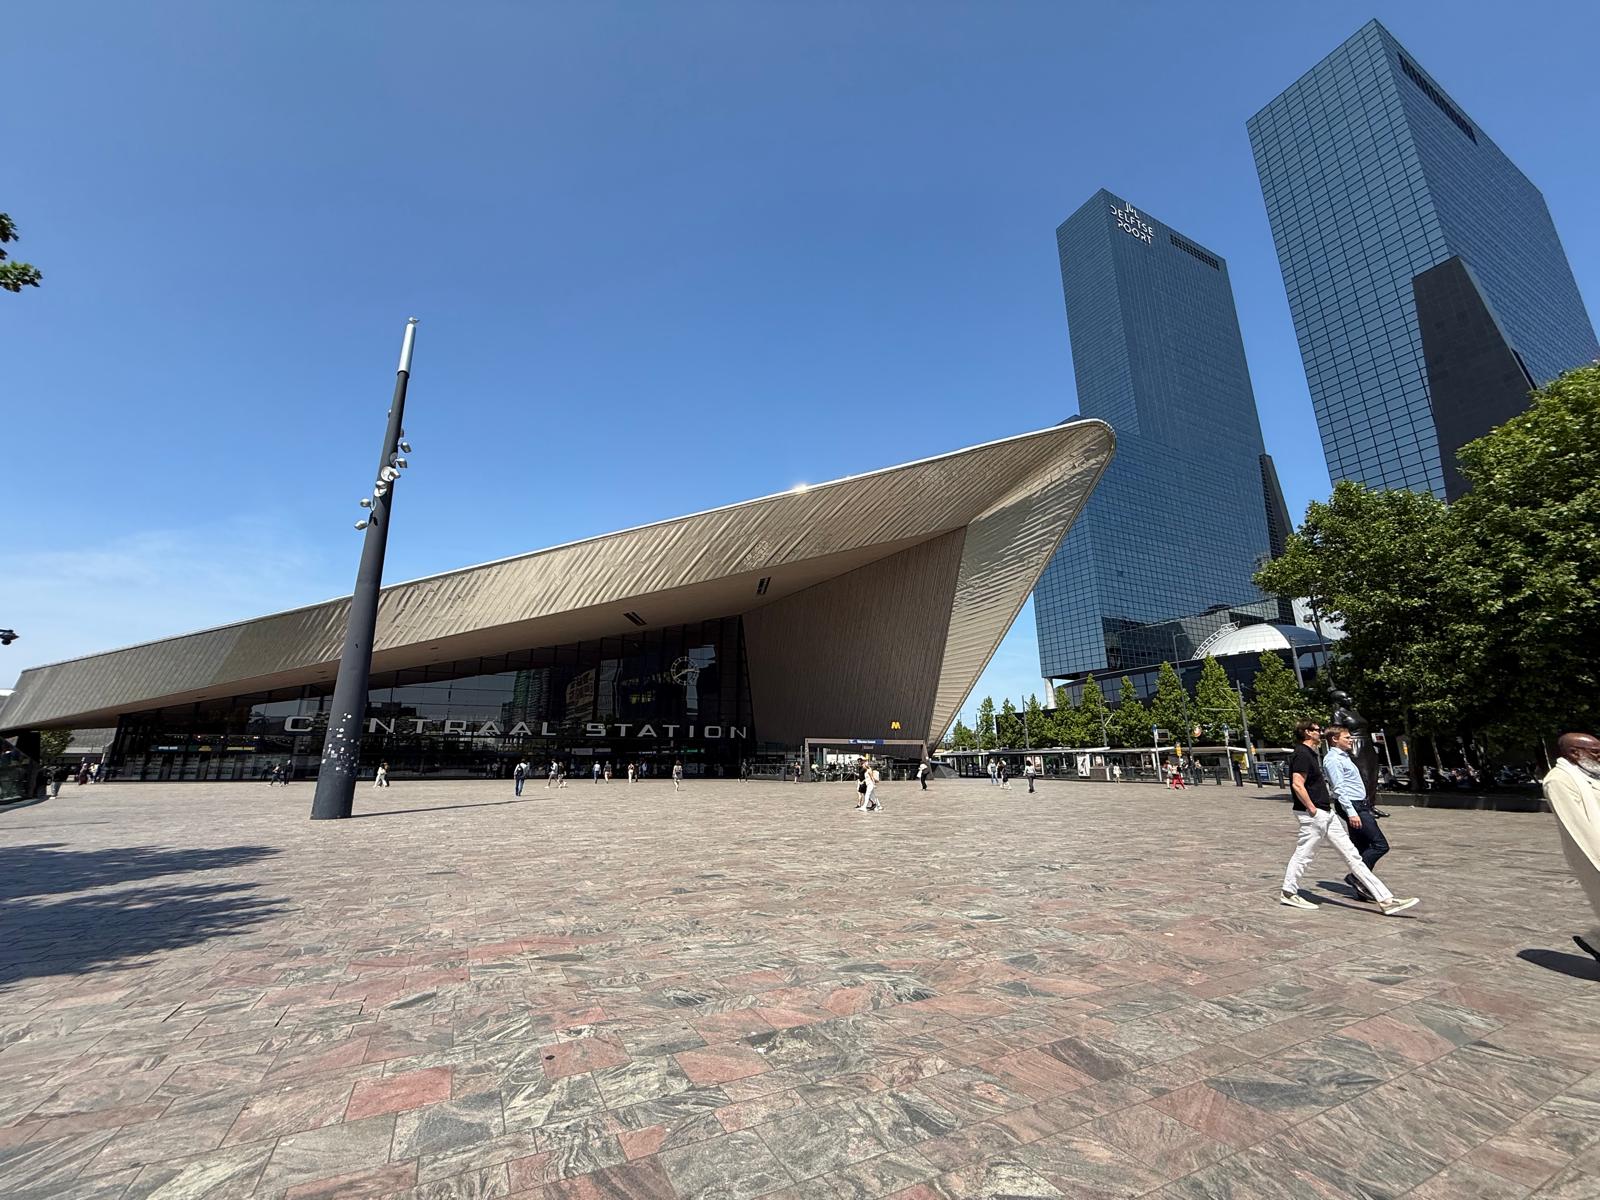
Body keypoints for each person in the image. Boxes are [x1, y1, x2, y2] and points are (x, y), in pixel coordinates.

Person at [1280, 720, 1418, 915]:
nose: (1320, 733)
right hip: (1314, 814)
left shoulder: (1311, 754)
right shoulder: (1302, 753)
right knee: (1304, 855)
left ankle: (1386, 899)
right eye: (1317, 730)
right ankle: (1288, 891)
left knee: (1352, 855)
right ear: (1306, 733)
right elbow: (1297, 784)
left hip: (1326, 812)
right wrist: (1312, 809)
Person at [1543, 732, 1600, 963]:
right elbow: (1575, 825)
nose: (1599, 757)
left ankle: (1596, 942)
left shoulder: (1592, 776)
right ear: (1574, 753)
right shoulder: (1559, 780)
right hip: (1591, 854)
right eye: (1595, 752)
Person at [1324, 726, 1388, 899]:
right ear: (1335, 739)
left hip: (1359, 804)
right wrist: (1352, 812)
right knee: (1379, 845)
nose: (1350, 740)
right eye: (1346, 737)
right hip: (1352, 805)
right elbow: (1338, 788)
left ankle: (1362, 888)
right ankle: (1356, 878)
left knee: (1362, 847)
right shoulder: (1333, 760)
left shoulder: (1345, 757)